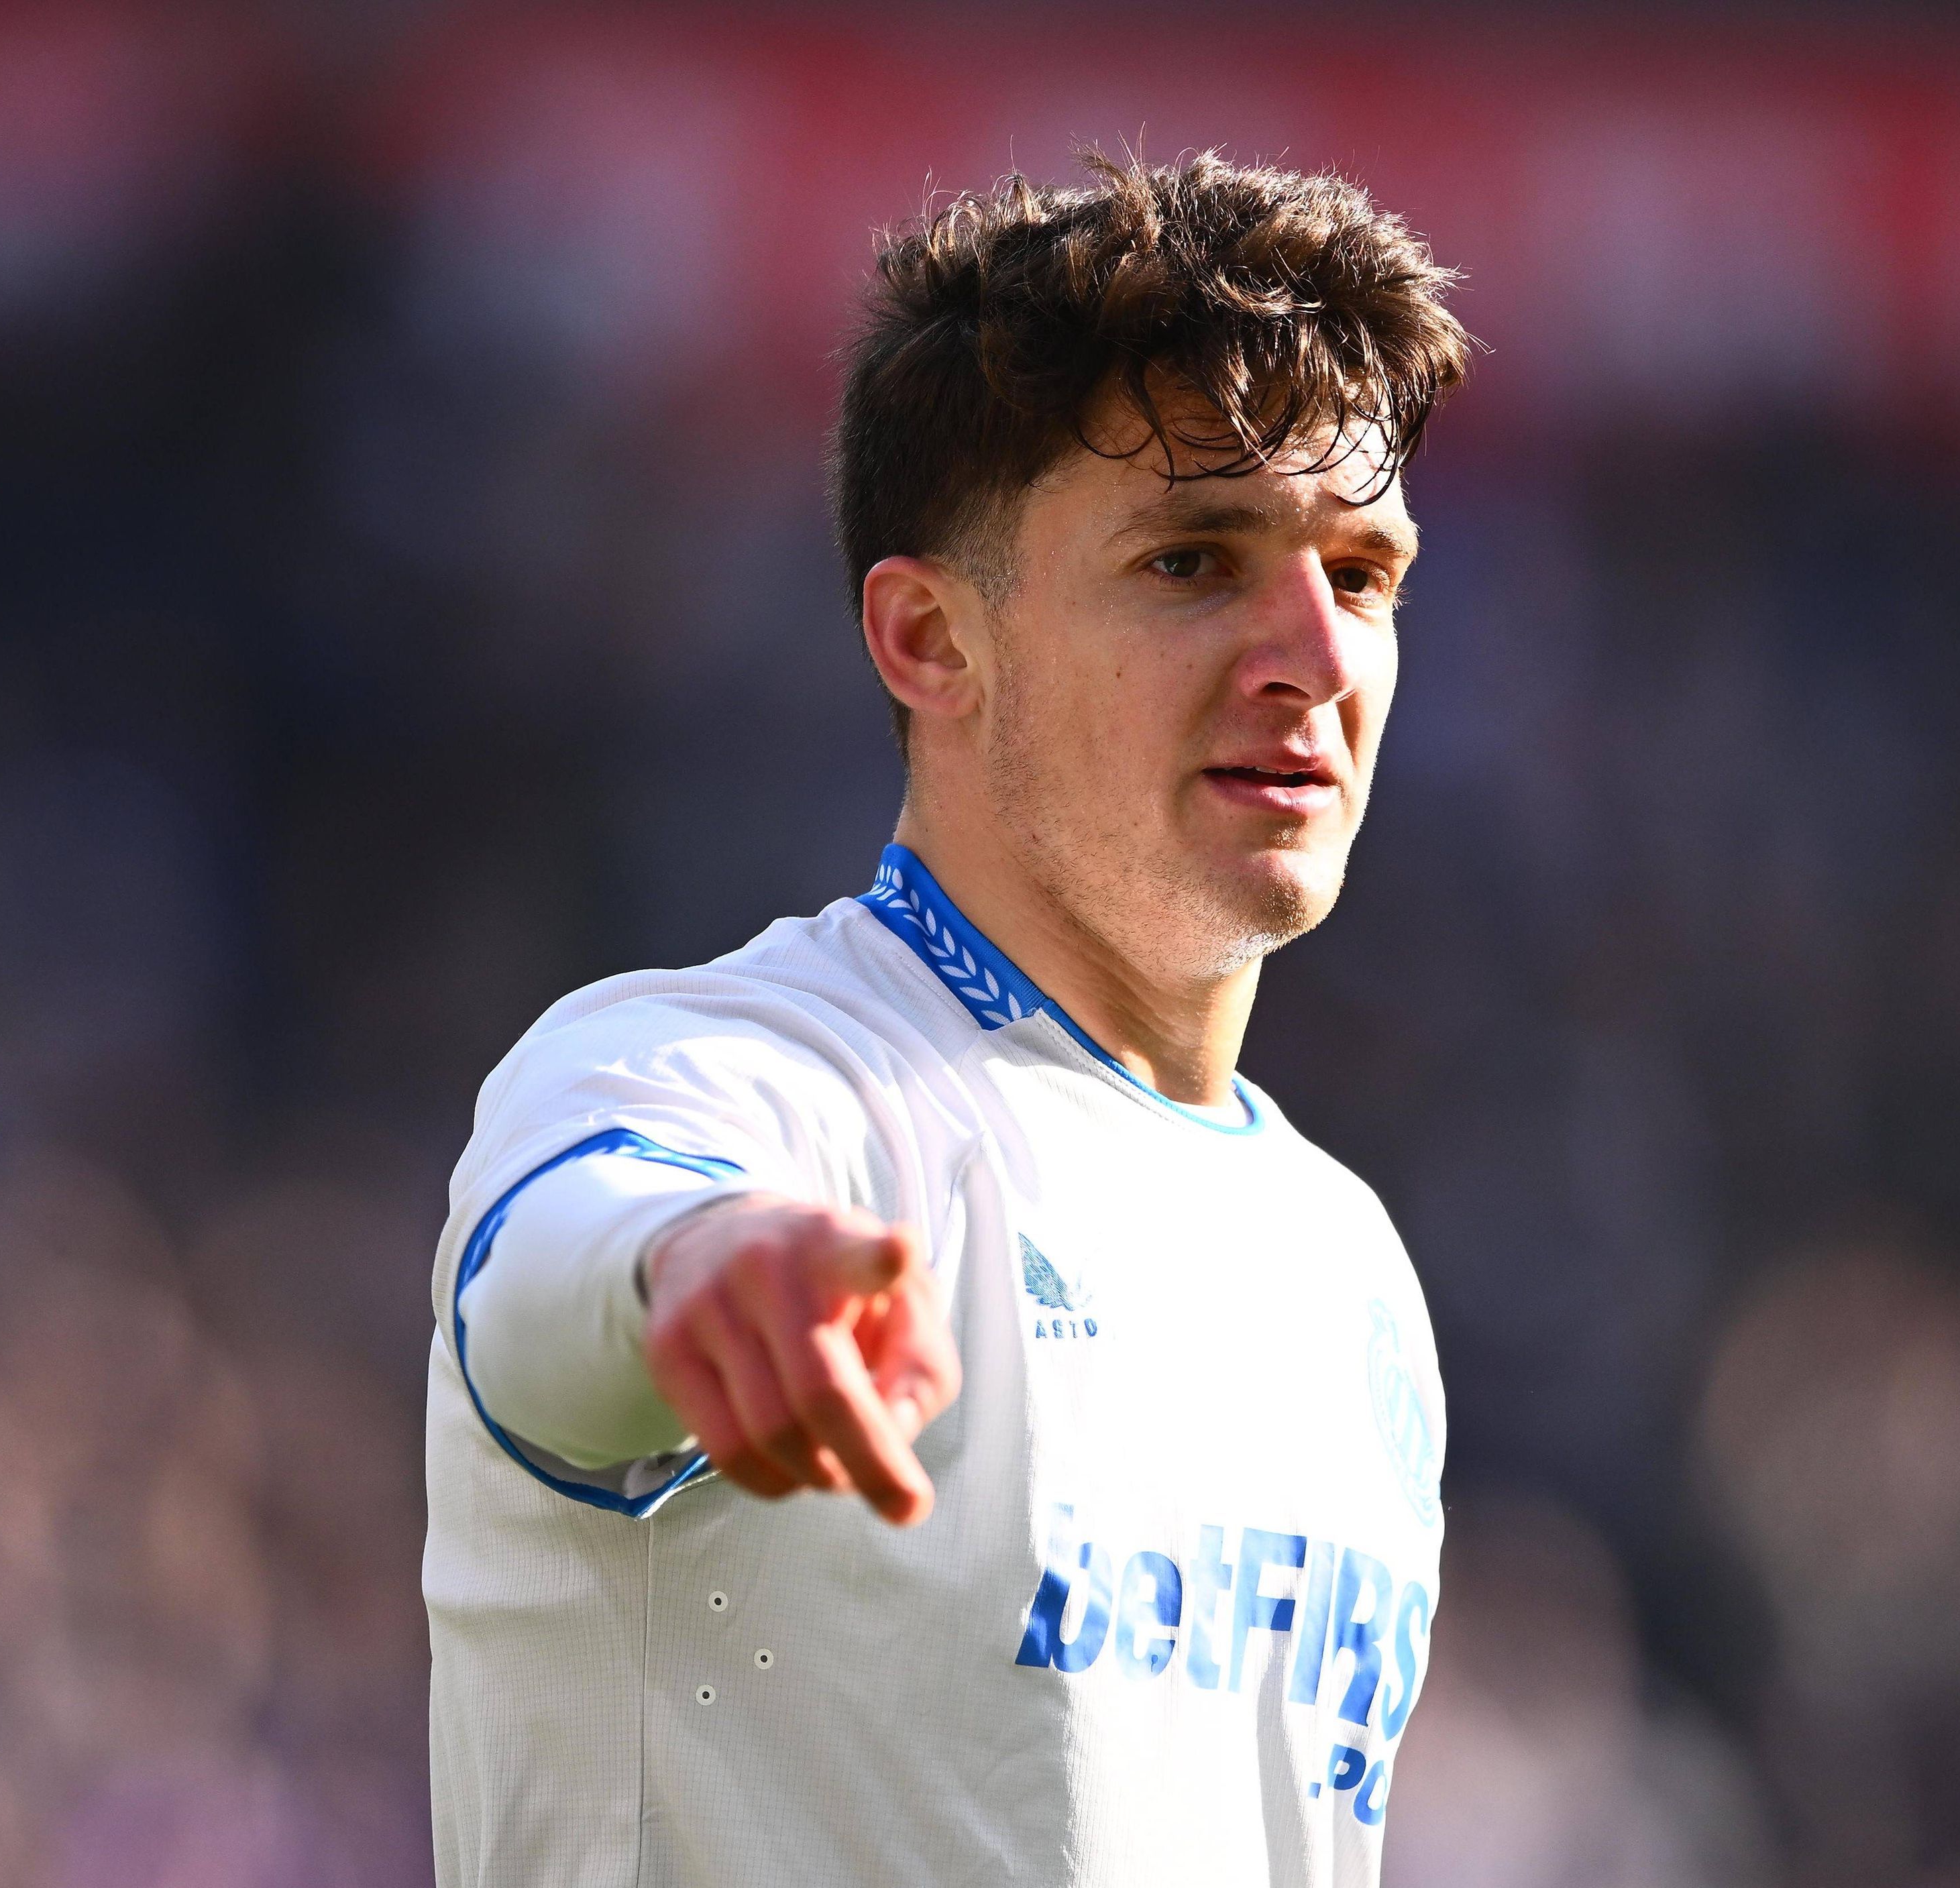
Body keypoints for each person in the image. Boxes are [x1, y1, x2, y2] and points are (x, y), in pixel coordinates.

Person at [421, 152, 1474, 1887]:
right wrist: (697, 1266)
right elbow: (554, 1271)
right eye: (1193, 559)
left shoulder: (1344, 1265)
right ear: (929, 639)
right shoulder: (749, 1085)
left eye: (1361, 575)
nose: (1313, 652)